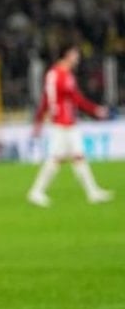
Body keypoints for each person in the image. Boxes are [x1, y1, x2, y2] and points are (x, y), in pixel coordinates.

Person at [27, 43, 113, 206]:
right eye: (75, 54)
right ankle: (36, 192)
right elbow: (48, 98)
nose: (77, 57)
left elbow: (76, 98)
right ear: (66, 55)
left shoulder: (68, 75)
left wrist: (94, 110)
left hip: (70, 122)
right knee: (57, 159)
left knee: (77, 157)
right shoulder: (54, 74)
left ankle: (93, 192)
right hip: (61, 123)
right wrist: (41, 121)